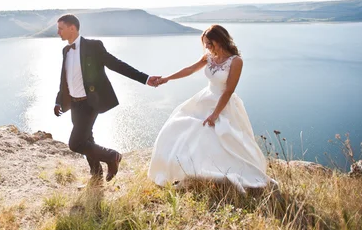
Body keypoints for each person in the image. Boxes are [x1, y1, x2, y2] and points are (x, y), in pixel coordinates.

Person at [148, 25, 274, 192]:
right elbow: (190, 69)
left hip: (223, 103)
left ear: (220, 40)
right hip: (205, 98)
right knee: (180, 125)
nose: (206, 46)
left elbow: (229, 90)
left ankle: (219, 172)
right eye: (205, 43)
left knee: (219, 136)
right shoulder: (209, 57)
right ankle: (185, 171)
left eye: (209, 43)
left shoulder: (236, 61)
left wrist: (215, 114)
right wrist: (167, 79)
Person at [54, 14, 160, 183]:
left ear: (72, 28)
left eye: (60, 28)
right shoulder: (65, 50)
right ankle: (96, 176)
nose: (57, 32)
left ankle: (112, 156)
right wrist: (59, 100)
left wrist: (145, 79)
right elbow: (65, 79)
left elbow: (116, 64)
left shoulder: (93, 46)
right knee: (87, 139)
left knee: (75, 144)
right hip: (74, 104)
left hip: (90, 103)